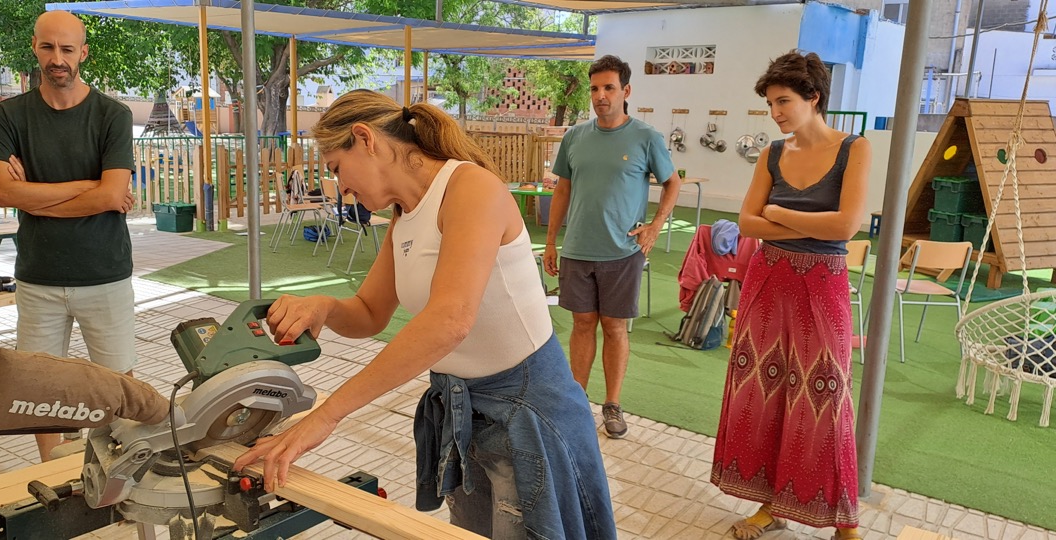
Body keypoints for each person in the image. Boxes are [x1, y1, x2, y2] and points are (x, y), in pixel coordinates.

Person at [232, 90, 616, 540]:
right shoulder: (404, 215)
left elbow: (450, 321)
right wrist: (326, 306)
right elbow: (370, 312)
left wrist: (327, 414)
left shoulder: (470, 188)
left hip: (529, 410)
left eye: (336, 168)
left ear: (365, 138)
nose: (341, 186)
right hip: (464, 411)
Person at [711, 50, 869, 540]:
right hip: (768, 279)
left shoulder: (854, 149)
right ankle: (769, 505)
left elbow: (846, 224)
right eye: (770, 103)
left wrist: (780, 214)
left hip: (824, 284)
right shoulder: (772, 154)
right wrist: (797, 223)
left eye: (783, 101)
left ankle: (845, 521)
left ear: (813, 97)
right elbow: (745, 222)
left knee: (827, 396)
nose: (776, 112)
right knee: (765, 392)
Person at [0, 10, 137, 462]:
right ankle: (53, 471)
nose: (58, 59)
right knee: (40, 386)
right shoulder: (9, 115)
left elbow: (114, 194)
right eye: (49, 47)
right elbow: (3, 193)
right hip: (39, 274)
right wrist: (88, 187)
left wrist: (33, 194)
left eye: (67, 49)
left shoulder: (113, 114)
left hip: (104, 272)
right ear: (35, 47)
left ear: (83, 53)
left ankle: (116, 471)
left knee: (118, 384)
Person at [543, 55, 682, 439]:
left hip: (622, 252)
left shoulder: (645, 137)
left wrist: (655, 226)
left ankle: (613, 404)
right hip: (577, 249)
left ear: (626, 91)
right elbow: (563, 190)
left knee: (615, 328)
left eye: (608, 88)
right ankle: (576, 400)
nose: (600, 96)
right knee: (582, 324)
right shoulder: (575, 137)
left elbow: (673, 183)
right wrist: (552, 242)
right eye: (594, 88)